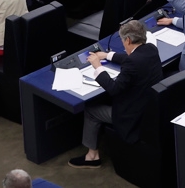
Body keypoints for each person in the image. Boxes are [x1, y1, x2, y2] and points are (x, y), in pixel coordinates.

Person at [70, 20, 164, 169]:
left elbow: (113, 88)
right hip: (149, 108)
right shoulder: (151, 49)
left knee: (91, 110)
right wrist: (107, 55)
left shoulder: (132, 63)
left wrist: (98, 67)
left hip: (131, 117)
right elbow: (131, 59)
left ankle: (92, 156)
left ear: (127, 40)